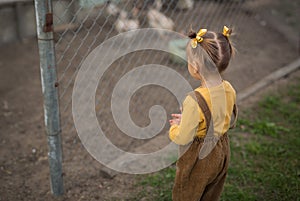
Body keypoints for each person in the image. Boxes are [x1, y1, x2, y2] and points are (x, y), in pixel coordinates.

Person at [169, 26, 238, 201]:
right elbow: (224, 116)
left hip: (199, 157)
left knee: (187, 193)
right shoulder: (229, 88)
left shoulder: (194, 100)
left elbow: (184, 137)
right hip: (221, 149)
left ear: (195, 67)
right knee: (210, 192)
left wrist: (176, 127)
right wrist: (191, 119)